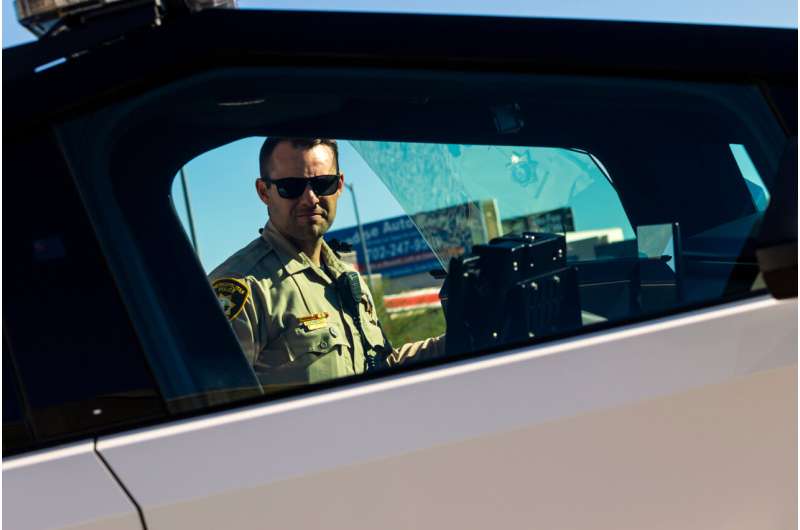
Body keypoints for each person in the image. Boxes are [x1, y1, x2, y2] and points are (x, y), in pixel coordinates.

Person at [209, 138, 444, 392]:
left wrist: (457, 340)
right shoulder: (243, 289)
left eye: (323, 184)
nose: (310, 199)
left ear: (339, 185)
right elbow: (218, 404)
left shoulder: (347, 277)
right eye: (291, 187)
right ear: (264, 192)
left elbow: (379, 367)